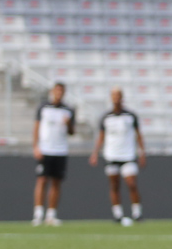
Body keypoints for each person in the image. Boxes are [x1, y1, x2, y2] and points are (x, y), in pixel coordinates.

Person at [89, 87, 146, 222]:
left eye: (118, 95)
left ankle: (137, 212)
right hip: (111, 156)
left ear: (122, 97)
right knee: (114, 185)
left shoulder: (130, 116)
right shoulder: (106, 117)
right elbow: (101, 137)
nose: (116, 98)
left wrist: (142, 152)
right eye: (113, 95)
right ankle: (117, 214)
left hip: (128, 155)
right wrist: (95, 153)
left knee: (131, 184)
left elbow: (139, 135)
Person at [32, 82, 75, 226]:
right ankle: (38, 214)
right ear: (52, 91)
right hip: (45, 149)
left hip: (60, 150)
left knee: (56, 182)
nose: (59, 93)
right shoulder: (43, 107)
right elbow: (36, 127)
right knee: (42, 180)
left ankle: (51, 214)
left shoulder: (68, 110)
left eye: (61, 91)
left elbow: (72, 132)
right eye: (56, 90)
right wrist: (35, 146)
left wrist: (68, 124)